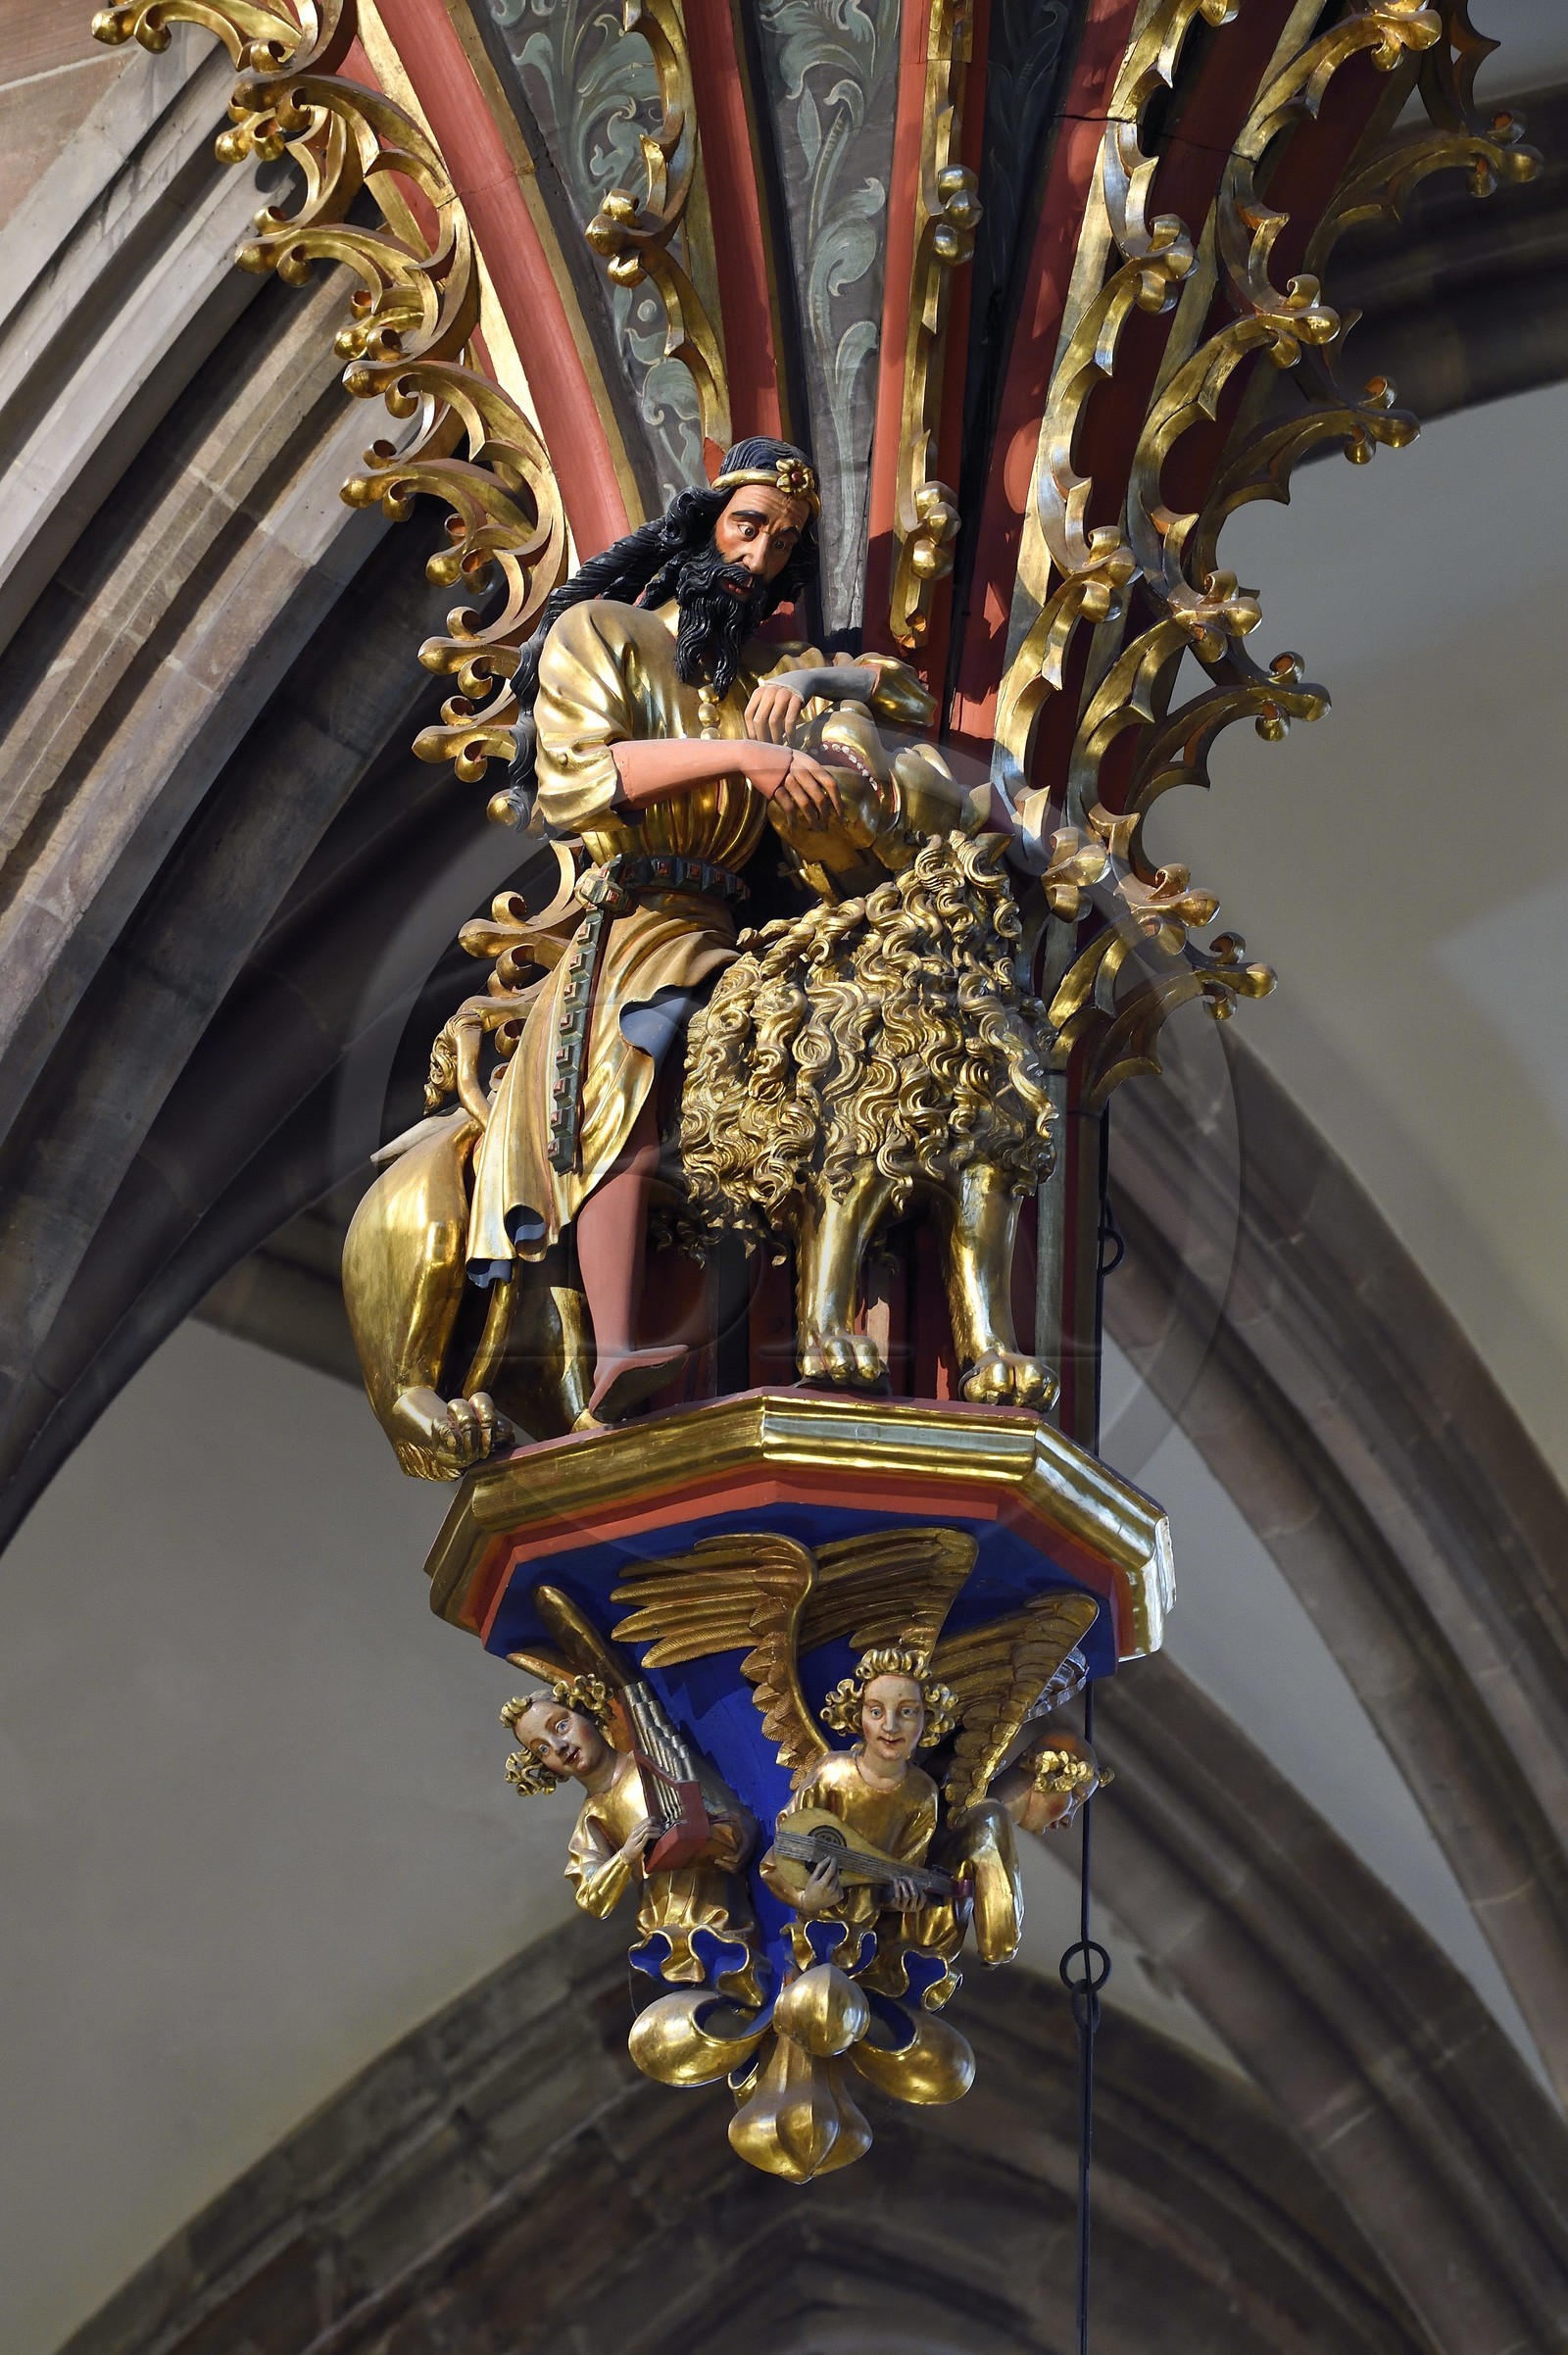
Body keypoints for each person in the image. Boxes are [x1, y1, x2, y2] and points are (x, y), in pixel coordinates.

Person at [466, 437, 933, 1423]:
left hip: (737, 924)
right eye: (747, 526)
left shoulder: (774, 675)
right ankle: (613, 1345)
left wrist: (812, 691)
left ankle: (854, 1326)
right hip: (637, 918)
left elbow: (911, 698)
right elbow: (582, 778)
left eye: (782, 542)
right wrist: (746, 762)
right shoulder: (603, 634)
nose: (759, 556)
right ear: (700, 526)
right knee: (630, 1085)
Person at [760, 1644, 1023, 1975]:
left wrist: (900, 1899)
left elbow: (893, 1875)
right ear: (857, 1716)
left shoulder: (921, 1794)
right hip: (808, 1938)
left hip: (866, 1946)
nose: (890, 1726)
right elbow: (779, 1856)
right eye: (876, 1711)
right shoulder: (832, 1775)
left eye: (907, 1712)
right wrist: (805, 1900)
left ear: (927, 1721)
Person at [502, 1676, 760, 1998]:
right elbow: (590, 1895)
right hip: (667, 1923)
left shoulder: (656, 1759)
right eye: (541, 1749)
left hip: (717, 1894)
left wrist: (736, 1836)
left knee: (747, 1972)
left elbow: (728, 1810)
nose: (558, 1747)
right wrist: (624, 1856)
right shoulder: (592, 1817)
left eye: (561, 1726)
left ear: (588, 1711)